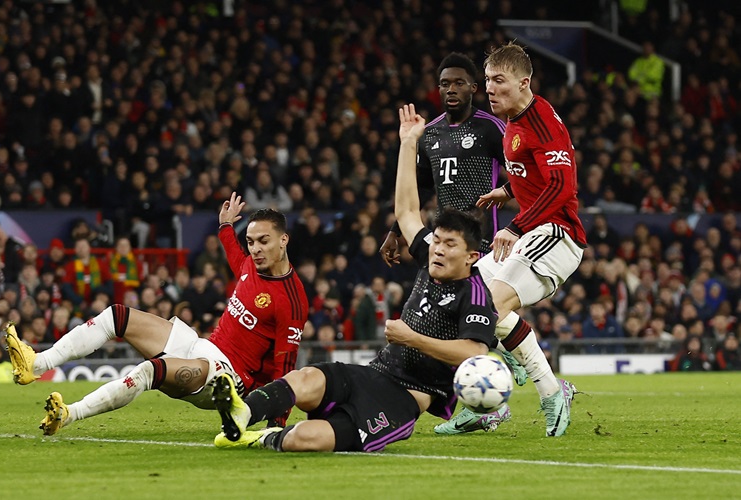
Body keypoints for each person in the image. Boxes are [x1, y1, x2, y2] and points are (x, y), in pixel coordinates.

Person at [210, 104, 498, 453]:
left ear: (471, 256)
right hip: (374, 372)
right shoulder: (428, 255)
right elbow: (407, 211)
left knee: (306, 438)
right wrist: (408, 143)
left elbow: (474, 351)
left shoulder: (476, 292)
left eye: (449, 244)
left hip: (404, 399)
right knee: (306, 378)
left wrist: (413, 338)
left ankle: (266, 437)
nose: (436, 249)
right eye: (436, 240)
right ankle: (241, 414)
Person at [4, 193, 308, 435]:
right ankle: (37, 363)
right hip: (202, 347)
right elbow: (232, 249)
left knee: (150, 370)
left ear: (284, 240)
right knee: (116, 316)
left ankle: (69, 414)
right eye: (251, 242)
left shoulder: (291, 300)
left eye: (264, 241)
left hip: (230, 378)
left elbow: (286, 366)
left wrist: (275, 427)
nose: (255, 249)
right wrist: (226, 226)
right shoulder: (249, 267)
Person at [441, 42, 584, 437]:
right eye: (487, 80)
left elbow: (562, 184)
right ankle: (486, 403)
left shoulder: (542, 123)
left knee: (491, 305)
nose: (490, 88)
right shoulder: (515, 123)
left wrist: (516, 225)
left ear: (524, 83)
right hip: (534, 229)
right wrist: (507, 190)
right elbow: (533, 173)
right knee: (462, 298)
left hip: (557, 235)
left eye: (498, 81)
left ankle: (552, 393)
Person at [380, 52, 506, 263]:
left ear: (473, 88)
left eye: (459, 83)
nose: (452, 89)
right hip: (442, 243)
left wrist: (509, 197)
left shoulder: (490, 128)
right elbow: (421, 186)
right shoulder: (427, 133)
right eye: (445, 84)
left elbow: (520, 171)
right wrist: (395, 231)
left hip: (482, 244)